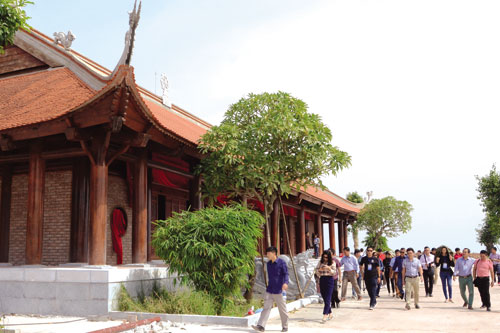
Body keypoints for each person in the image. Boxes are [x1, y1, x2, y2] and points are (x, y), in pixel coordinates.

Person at [252, 246, 289, 333]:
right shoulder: (268, 264)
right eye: (267, 253)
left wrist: (285, 283)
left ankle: (285, 326)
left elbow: (286, 274)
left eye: (269, 253)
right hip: (270, 289)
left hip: (279, 290)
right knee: (266, 308)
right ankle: (261, 326)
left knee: (282, 309)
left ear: (274, 254)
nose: (267, 255)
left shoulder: (281, 263)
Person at [316, 251, 336, 322]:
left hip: (329, 280)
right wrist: (320, 270)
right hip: (322, 279)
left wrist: (329, 268)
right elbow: (316, 271)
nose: (325, 259)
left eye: (327, 257)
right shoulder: (320, 262)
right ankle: (330, 313)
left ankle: (325, 314)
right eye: (324, 257)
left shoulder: (332, 262)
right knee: (324, 297)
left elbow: (334, 272)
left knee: (328, 298)